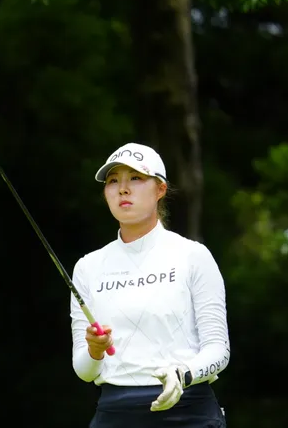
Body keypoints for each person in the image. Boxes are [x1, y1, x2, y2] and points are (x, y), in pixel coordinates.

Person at [70, 142, 230, 428]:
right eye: (113, 181)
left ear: (160, 189)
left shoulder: (193, 256)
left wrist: (183, 374)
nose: (123, 189)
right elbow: (84, 371)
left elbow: (219, 350)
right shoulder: (87, 267)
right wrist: (94, 350)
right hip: (115, 415)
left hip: (188, 411)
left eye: (135, 178)